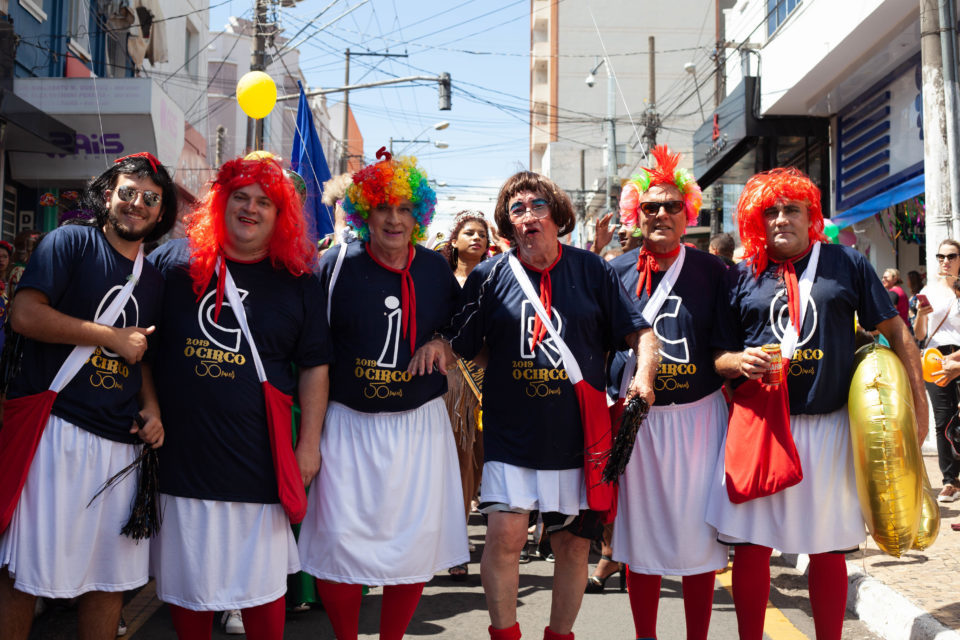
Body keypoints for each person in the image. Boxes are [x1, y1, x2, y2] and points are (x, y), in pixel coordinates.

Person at [418, 171, 657, 640]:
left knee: (572, 546)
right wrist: (441, 347)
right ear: (508, 224)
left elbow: (640, 331)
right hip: (511, 433)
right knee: (505, 538)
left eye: (537, 206)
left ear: (557, 214)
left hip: (578, 437)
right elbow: (461, 340)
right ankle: (505, 634)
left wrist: (644, 379)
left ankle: (559, 635)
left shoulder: (593, 269)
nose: (528, 216)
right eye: (517, 209)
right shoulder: (489, 276)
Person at [709, 167, 927, 640]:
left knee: (828, 548)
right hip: (760, 426)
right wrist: (735, 361)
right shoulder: (741, 276)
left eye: (793, 209)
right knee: (750, 545)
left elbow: (896, 331)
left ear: (811, 215)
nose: (781, 218)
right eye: (771, 211)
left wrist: (918, 404)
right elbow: (717, 355)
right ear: (755, 220)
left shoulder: (846, 263)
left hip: (829, 426)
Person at [148, 154, 330, 639]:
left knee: (262, 588)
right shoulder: (172, 263)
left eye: (264, 203)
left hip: (260, 462)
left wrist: (308, 443)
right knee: (188, 588)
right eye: (241, 198)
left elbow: (314, 367)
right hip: (181, 459)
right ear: (222, 203)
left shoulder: (298, 282)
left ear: (280, 217)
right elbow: (140, 344)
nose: (250, 210)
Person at [0, 152, 173, 640]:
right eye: (127, 193)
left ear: (161, 213)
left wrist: (153, 408)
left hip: (120, 445)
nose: (136, 204)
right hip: (57, 432)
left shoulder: (155, 278)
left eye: (150, 199)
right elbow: (25, 315)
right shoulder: (70, 241)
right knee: (23, 573)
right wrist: (110, 336)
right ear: (106, 195)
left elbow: (144, 360)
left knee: (107, 582)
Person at [299, 149, 468, 640]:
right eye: (382, 208)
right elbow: (312, 355)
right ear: (363, 212)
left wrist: (444, 344)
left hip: (419, 424)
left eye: (404, 209)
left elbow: (464, 332)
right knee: (337, 543)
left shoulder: (437, 270)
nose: (394, 219)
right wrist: (310, 438)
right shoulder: (332, 268)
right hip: (348, 422)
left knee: (412, 546)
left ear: (419, 215)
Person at [607, 146, 733, 640]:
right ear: (635, 215)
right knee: (642, 537)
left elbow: (728, 343)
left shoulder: (714, 272)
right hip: (638, 421)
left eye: (671, 206)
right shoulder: (613, 273)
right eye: (650, 207)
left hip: (700, 418)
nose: (660, 214)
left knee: (700, 537)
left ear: (689, 214)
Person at [439, 210, 491, 580]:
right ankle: (440, 541)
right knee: (443, 462)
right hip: (444, 381)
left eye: (483, 235)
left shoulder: (493, 278)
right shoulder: (437, 278)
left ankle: (457, 538)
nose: (476, 239)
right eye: (469, 233)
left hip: (483, 380)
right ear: (454, 240)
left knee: (471, 463)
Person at [913, 239, 960, 503]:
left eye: (951, 256)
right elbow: (920, 334)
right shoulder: (929, 290)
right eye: (940, 256)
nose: (945, 261)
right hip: (934, 357)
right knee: (944, 419)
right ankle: (950, 481)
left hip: (958, 354)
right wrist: (921, 314)